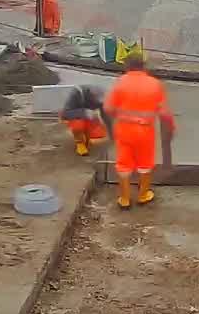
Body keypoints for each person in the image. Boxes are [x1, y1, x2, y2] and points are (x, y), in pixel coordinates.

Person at [104, 49, 174, 209]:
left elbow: (108, 108)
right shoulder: (155, 84)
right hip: (145, 131)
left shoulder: (120, 83)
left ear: (127, 67)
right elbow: (164, 113)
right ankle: (143, 195)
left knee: (123, 164)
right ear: (144, 67)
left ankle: (124, 199)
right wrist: (171, 127)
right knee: (145, 164)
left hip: (123, 130)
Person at [60, 85, 108, 156]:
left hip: (88, 116)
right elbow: (65, 114)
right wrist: (85, 112)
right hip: (74, 116)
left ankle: (87, 138)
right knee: (78, 125)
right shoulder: (76, 94)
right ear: (90, 96)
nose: (98, 103)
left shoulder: (101, 97)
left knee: (100, 133)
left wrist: (108, 126)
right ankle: (79, 143)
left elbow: (104, 113)